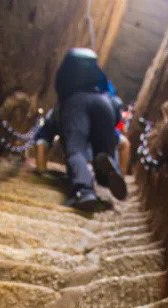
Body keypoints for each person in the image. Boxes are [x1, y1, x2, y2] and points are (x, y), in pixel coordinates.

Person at [32, 48, 128, 210]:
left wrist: (41, 171)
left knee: (76, 150)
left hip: (75, 106)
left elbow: (41, 143)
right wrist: (122, 176)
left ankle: (84, 191)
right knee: (104, 150)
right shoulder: (102, 90)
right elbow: (125, 144)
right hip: (104, 105)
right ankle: (106, 175)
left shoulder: (61, 107)